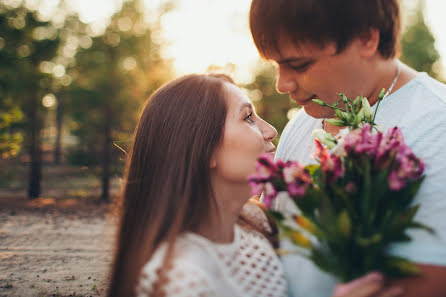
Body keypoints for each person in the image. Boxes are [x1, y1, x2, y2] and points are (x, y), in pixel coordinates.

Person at [107, 74, 402, 297]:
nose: (271, 130)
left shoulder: (254, 225)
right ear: (204, 148)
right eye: (248, 117)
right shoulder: (180, 277)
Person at [249, 0, 446, 297]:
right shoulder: (300, 125)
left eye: (299, 64)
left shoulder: (436, 126)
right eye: (276, 64)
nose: (282, 84)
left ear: (367, 38)